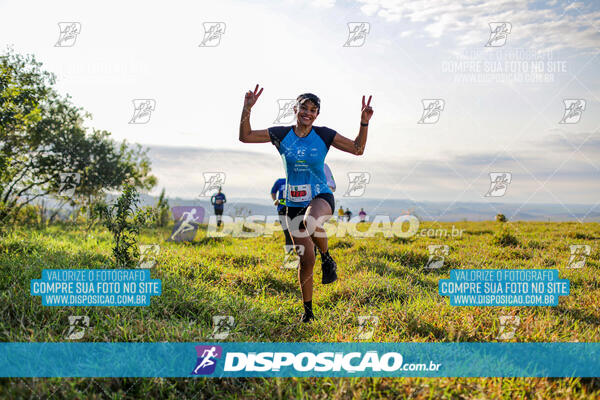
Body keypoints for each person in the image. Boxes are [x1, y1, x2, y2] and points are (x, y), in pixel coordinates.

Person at [239, 84, 373, 323]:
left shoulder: (324, 135)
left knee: (311, 222)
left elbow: (358, 149)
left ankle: (328, 256)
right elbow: (245, 136)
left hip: (320, 195)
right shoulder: (281, 134)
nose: (308, 113)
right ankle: (308, 313)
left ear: (317, 115)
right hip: (292, 202)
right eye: (304, 107)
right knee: (306, 259)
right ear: (295, 109)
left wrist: (364, 123)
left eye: (313, 110)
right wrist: (247, 108)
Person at [271, 177, 293, 249]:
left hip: (293, 208)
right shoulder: (280, 181)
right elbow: (273, 191)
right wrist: (275, 200)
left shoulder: (295, 180)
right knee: (286, 230)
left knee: (294, 229)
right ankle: (289, 250)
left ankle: (299, 248)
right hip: (281, 208)